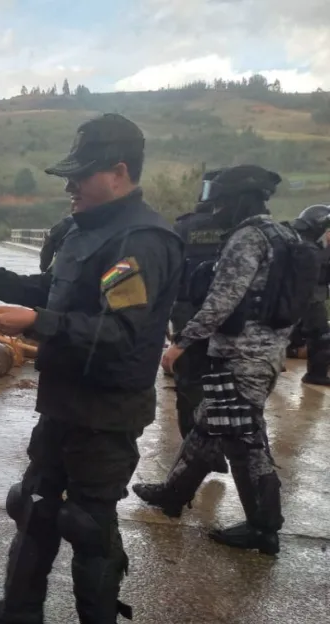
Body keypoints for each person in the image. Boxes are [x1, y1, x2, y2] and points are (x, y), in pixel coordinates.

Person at [0, 113, 183, 624]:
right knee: (32, 502)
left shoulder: (141, 243)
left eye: (82, 174)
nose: (69, 185)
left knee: (87, 522)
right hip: (61, 399)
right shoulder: (87, 230)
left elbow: (120, 333)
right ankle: (22, 609)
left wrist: (39, 322)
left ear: (119, 171)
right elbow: (52, 291)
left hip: (106, 409)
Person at [133, 165, 297, 556]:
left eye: (222, 202)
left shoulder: (248, 239)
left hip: (239, 357)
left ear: (240, 201)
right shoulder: (286, 236)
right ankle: (174, 494)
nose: (216, 210)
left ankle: (264, 528)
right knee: (213, 427)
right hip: (264, 355)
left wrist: (182, 342)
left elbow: (221, 302)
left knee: (246, 441)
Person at [169, 170, 229, 473]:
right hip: (231, 317)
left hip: (187, 311)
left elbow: (171, 271)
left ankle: (195, 451)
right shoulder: (241, 229)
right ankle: (215, 449)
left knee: (189, 383)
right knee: (223, 386)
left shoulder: (184, 226)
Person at [287, 204, 330, 385]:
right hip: (304, 298)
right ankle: (316, 375)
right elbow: (312, 266)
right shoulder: (302, 242)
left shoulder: (312, 242)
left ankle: (314, 371)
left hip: (309, 298)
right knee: (321, 335)